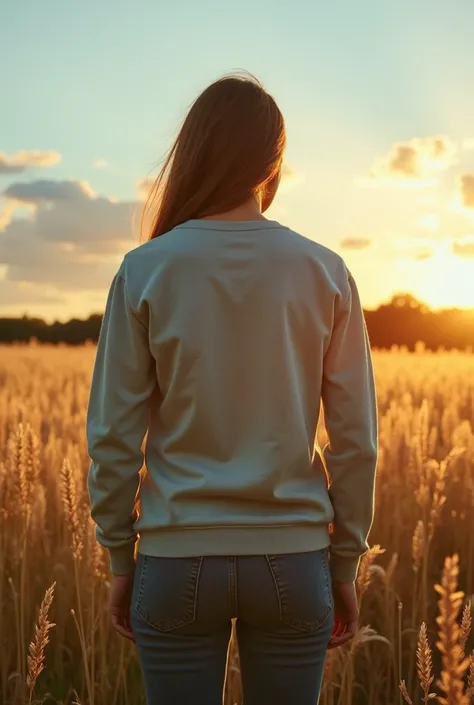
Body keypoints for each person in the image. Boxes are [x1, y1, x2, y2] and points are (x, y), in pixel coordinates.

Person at [87, 71, 378, 705]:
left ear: (195, 150)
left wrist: (118, 556)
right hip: (296, 560)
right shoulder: (326, 271)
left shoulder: (145, 268)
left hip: (173, 558)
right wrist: (346, 561)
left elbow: (112, 435)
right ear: (273, 162)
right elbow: (357, 441)